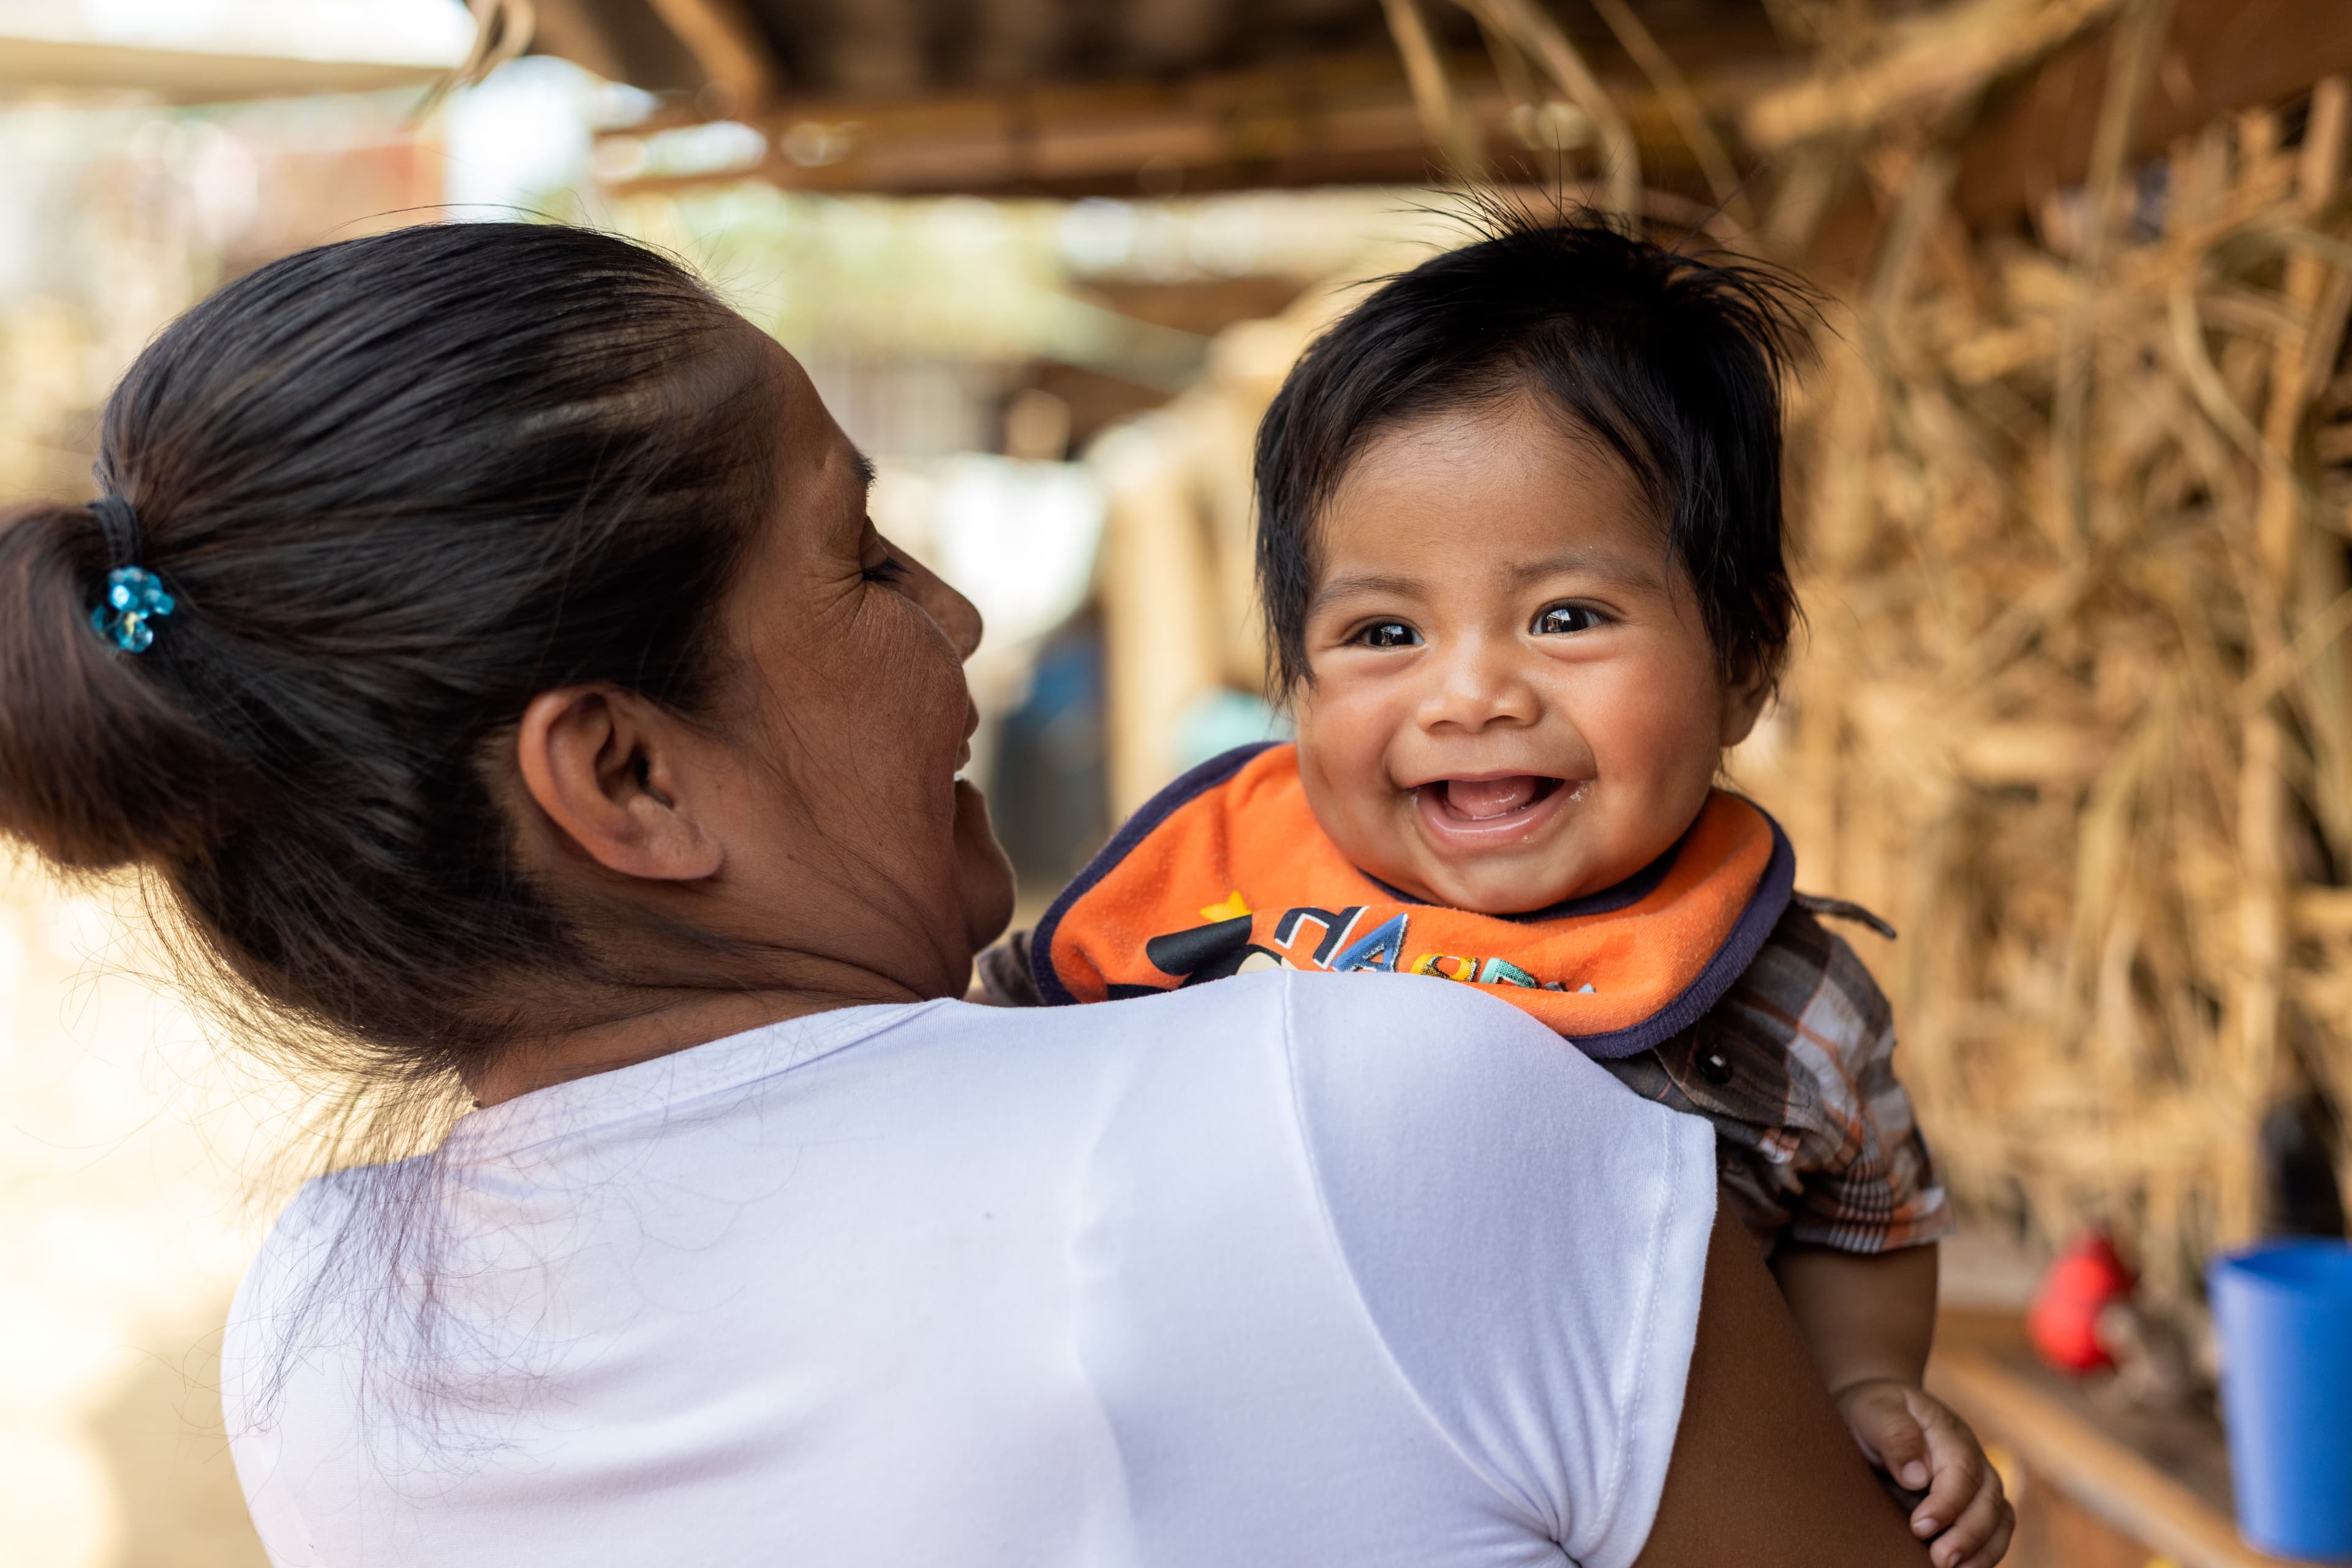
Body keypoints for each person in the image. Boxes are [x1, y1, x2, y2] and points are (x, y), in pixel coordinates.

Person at [0, 222, 1929, 1567]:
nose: (963, 619)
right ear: (630, 777)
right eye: (862, 561)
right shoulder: (1361, 1107)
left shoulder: (317, 1342)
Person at [985, 211, 2011, 1568]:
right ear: (1290, 670)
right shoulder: (1216, 894)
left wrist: (1861, 1385)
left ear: (1747, 660)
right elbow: (997, 1081)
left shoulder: (1790, 999)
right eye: (1384, 632)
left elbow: (1866, 1207)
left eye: (1567, 616)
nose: (1471, 692)